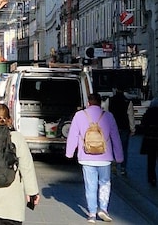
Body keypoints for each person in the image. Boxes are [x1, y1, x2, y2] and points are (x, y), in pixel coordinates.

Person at [66, 92, 123, 223]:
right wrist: (118, 156)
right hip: (105, 157)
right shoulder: (108, 116)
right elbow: (115, 137)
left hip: (86, 157)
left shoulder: (79, 115)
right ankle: (103, 209)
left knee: (90, 185)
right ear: (100, 103)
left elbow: (73, 135)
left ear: (88, 103)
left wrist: (70, 152)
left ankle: (92, 213)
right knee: (105, 183)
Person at [139, 97, 158, 188]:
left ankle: (152, 178)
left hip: (150, 139)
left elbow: (143, 125)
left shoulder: (148, 113)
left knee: (151, 160)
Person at [108, 88, 135, 176]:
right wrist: (132, 129)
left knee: (113, 147)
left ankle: (114, 163)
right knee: (124, 148)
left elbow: (106, 114)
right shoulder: (128, 102)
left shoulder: (110, 100)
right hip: (124, 127)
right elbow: (130, 116)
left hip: (113, 127)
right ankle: (123, 168)